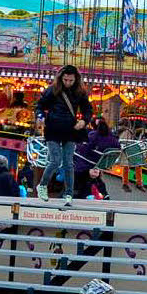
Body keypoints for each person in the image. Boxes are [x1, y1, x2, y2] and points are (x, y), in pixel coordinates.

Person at [35, 65, 93, 204]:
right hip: (53, 128)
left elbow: (87, 110)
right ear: (61, 78)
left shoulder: (80, 93)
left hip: (70, 129)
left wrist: (84, 121)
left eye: (70, 80)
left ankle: (69, 193)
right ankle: (42, 185)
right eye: (65, 80)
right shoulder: (52, 90)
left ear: (76, 80)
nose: (67, 83)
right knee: (54, 160)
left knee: (68, 163)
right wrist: (40, 116)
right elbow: (40, 105)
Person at [75, 120, 121, 199]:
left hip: (88, 162)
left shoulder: (94, 135)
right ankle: (103, 194)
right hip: (101, 163)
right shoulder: (113, 139)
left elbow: (87, 149)